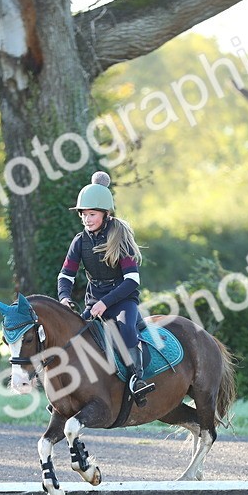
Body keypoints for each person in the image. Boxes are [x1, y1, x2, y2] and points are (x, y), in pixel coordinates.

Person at [57, 171, 155, 401]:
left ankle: (137, 379)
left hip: (122, 300)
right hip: (94, 302)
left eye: (92, 214)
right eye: (83, 215)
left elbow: (132, 281)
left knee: (126, 329)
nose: (87, 219)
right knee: (74, 338)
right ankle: (68, 393)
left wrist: (105, 303)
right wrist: (64, 297)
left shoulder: (119, 238)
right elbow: (66, 275)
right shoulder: (79, 241)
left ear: (105, 214)